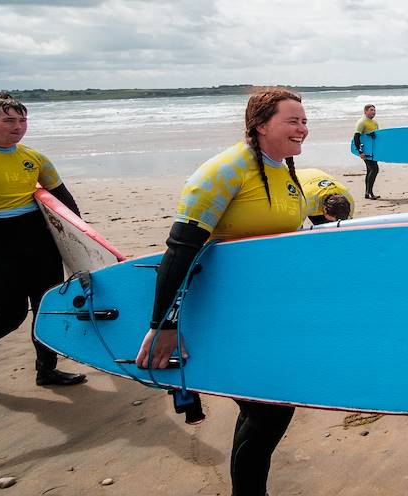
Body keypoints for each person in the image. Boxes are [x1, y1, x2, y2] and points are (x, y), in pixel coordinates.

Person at [137, 88, 309, 496]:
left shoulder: (281, 168)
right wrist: (164, 324)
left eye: (304, 120)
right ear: (260, 125)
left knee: (265, 407)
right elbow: (180, 250)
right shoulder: (227, 169)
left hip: (261, 313)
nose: (303, 128)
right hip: (220, 313)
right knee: (269, 410)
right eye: (293, 120)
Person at [0, 91, 88, 393]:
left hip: (38, 240)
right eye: (9, 120)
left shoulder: (35, 158)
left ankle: (46, 370)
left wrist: (82, 237)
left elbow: (64, 199)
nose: (18, 127)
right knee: (8, 317)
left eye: (22, 120)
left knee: (47, 309)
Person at [352, 104, 380, 199]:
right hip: (365, 151)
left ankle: (367, 193)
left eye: (374, 110)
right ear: (365, 111)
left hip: (372, 151)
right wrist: (360, 152)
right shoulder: (362, 122)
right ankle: (370, 193)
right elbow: (356, 137)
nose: (373, 112)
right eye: (371, 110)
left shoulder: (375, 122)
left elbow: (376, 137)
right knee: (374, 170)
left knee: (370, 171)